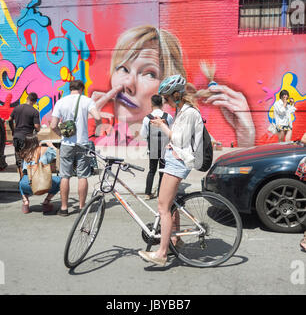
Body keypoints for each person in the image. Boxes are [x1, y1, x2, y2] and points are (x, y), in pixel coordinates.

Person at [90, 25, 254, 148]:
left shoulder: (182, 127)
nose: (127, 84)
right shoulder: (112, 136)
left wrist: (246, 137)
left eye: (149, 73)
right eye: (123, 69)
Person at [138, 74, 204, 266]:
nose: (165, 102)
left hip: (178, 162)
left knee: (163, 207)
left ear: (176, 95)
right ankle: (177, 239)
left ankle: (162, 253)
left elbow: (179, 140)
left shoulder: (189, 112)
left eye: (167, 97)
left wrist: (162, 126)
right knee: (171, 203)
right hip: (174, 159)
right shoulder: (182, 111)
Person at [50, 80, 101, 216]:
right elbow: (97, 117)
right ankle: (81, 207)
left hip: (66, 144)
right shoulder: (87, 101)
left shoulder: (61, 102)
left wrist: (62, 135)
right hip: (83, 143)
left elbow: (53, 125)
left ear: (70, 88)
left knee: (65, 176)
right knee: (82, 175)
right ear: (82, 89)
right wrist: (97, 128)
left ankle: (64, 208)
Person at [140, 95, 173, 200]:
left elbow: (143, 134)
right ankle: (160, 193)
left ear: (151, 104)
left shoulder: (147, 118)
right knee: (162, 171)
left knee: (152, 170)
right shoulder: (168, 117)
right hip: (165, 148)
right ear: (162, 104)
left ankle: (148, 193)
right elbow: (172, 132)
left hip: (153, 148)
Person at [18, 134, 60, 214]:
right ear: (37, 141)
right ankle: (46, 201)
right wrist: (51, 145)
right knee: (60, 180)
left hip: (27, 184)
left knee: (22, 181)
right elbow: (59, 155)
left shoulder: (24, 152)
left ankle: (25, 201)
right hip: (42, 184)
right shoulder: (45, 149)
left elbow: (23, 170)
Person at [8, 92, 40, 179]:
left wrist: (13, 130)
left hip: (17, 136)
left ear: (27, 98)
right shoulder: (34, 111)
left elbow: (9, 119)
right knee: (27, 158)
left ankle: (21, 179)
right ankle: (27, 179)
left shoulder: (17, 108)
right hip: (27, 138)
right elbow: (37, 127)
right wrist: (38, 130)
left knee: (18, 159)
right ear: (34, 101)